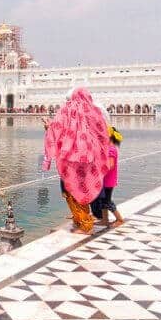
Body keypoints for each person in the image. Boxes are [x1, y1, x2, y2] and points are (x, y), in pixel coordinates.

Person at [43, 87, 110, 234]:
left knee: (72, 190)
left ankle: (85, 224)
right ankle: (81, 220)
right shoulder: (96, 112)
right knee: (84, 188)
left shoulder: (69, 111)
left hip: (71, 160)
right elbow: (103, 135)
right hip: (90, 160)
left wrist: (49, 127)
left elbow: (59, 130)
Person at [96, 127, 125, 228]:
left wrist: (99, 169)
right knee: (103, 199)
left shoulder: (111, 149)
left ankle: (119, 219)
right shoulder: (108, 148)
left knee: (107, 200)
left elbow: (110, 165)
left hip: (108, 180)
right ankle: (105, 219)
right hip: (104, 179)